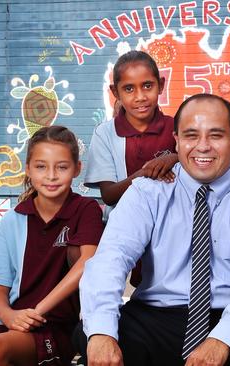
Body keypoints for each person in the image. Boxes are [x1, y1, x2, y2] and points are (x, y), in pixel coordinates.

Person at [75, 94, 230, 366]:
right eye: (191, 136)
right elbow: (112, 258)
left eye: (216, 135)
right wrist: (102, 334)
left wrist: (222, 339)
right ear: (176, 140)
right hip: (158, 316)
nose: (203, 147)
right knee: (95, 332)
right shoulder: (148, 192)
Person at [0, 126, 104, 366]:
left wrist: (38, 310)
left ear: (77, 169)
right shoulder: (13, 219)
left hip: (54, 325)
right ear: (28, 169)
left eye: (61, 167)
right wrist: (9, 317)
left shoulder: (85, 210)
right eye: (41, 166)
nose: (51, 175)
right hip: (12, 318)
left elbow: (87, 262)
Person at [84, 49, 178, 287]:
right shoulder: (105, 133)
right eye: (129, 89)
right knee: (108, 278)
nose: (140, 97)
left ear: (161, 84)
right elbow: (109, 194)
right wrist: (143, 174)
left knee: (161, 285)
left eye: (147, 86)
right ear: (115, 92)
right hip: (124, 225)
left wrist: (175, 157)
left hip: (172, 224)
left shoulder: (177, 127)